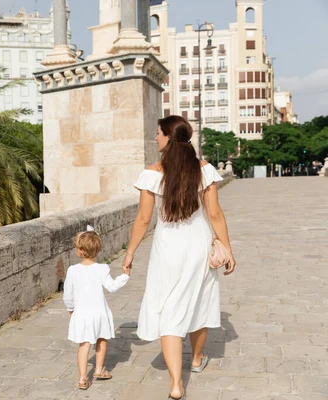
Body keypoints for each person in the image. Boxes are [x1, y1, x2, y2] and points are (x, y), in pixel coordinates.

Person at [122, 116, 236, 400]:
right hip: (198, 243)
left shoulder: (152, 173)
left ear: (168, 138)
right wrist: (228, 249)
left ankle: (175, 383)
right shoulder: (204, 170)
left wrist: (130, 252)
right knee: (199, 301)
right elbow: (215, 214)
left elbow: (144, 219)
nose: (156, 139)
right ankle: (196, 360)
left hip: (168, 247)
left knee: (169, 307)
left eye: (158, 134)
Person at [63, 227, 131, 390]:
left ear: (79, 251)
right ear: (98, 250)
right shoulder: (102, 268)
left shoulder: (73, 270)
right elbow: (112, 287)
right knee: (101, 339)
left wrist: (70, 308)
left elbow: (68, 294)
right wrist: (125, 275)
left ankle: (82, 378)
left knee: (84, 344)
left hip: (82, 313)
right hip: (99, 313)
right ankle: (99, 370)